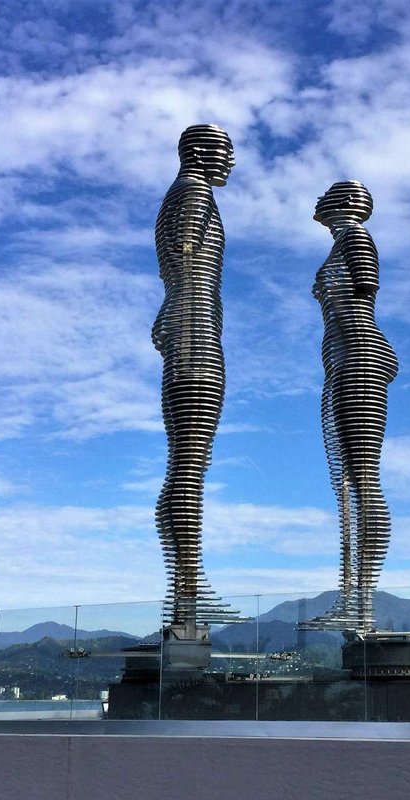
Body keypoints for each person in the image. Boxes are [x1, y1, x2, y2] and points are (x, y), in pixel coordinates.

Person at [152, 124, 241, 635]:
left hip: (183, 334)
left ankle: (186, 593)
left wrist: (167, 322)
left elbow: (172, 271)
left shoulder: (177, 194)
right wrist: (182, 324)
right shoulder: (193, 194)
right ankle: (189, 593)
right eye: (225, 151)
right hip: (197, 340)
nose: (230, 162)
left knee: (184, 465)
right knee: (190, 466)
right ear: (203, 151)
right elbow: (185, 254)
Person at [306, 181, 398, 633]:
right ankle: (353, 602)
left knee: (362, 477)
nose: (316, 203)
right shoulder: (344, 242)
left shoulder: (357, 237)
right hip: (347, 359)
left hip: (360, 355)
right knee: (347, 481)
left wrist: (328, 295)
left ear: (344, 202)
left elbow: (364, 292)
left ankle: (362, 604)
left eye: (325, 196)